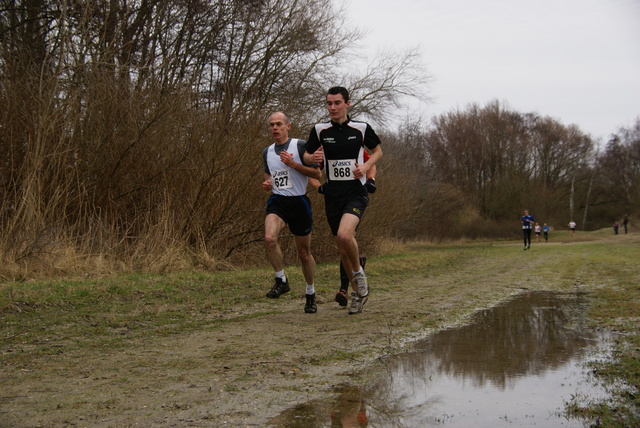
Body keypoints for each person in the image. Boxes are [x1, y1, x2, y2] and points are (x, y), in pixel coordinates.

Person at [304, 86, 382, 315]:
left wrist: (366, 167)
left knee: (344, 235)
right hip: (333, 197)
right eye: (329, 103)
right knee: (343, 247)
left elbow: (377, 151)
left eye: (337, 103)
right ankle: (358, 294)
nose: (332, 108)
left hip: (356, 194)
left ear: (347, 104)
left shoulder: (360, 128)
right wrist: (312, 157)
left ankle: (359, 276)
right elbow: (306, 156)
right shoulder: (319, 130)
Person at [262, 112, 322, 314]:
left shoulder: (300, 146)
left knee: (304, 255)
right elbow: (269, 177)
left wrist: (293, 164)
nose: (274, 128)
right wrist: (267, 183)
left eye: (279, 124)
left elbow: (316, 173)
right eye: (271, 125)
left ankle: (310, 293)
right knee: (270, 238)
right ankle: (281, 280)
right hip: (278, 202)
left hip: (299, 202)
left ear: (288, 126)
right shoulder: (267, 152)